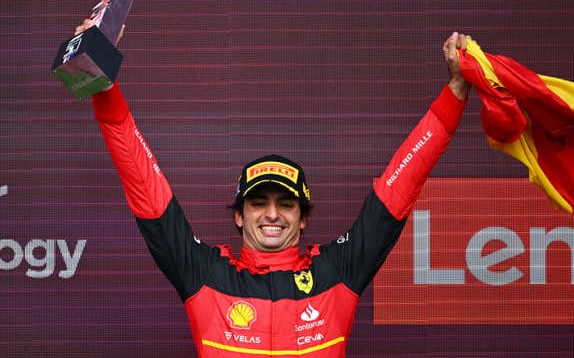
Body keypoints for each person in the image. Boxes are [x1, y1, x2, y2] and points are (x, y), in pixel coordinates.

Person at [76, 18, 471, 358]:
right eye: (258, 202)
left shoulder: (335, 272)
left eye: (286, 204)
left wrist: (453, 94)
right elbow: (146, 187)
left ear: (302, 220)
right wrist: (103, 86)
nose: (271, 214)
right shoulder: (205, 273)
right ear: (238, 214)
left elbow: (396, 191)